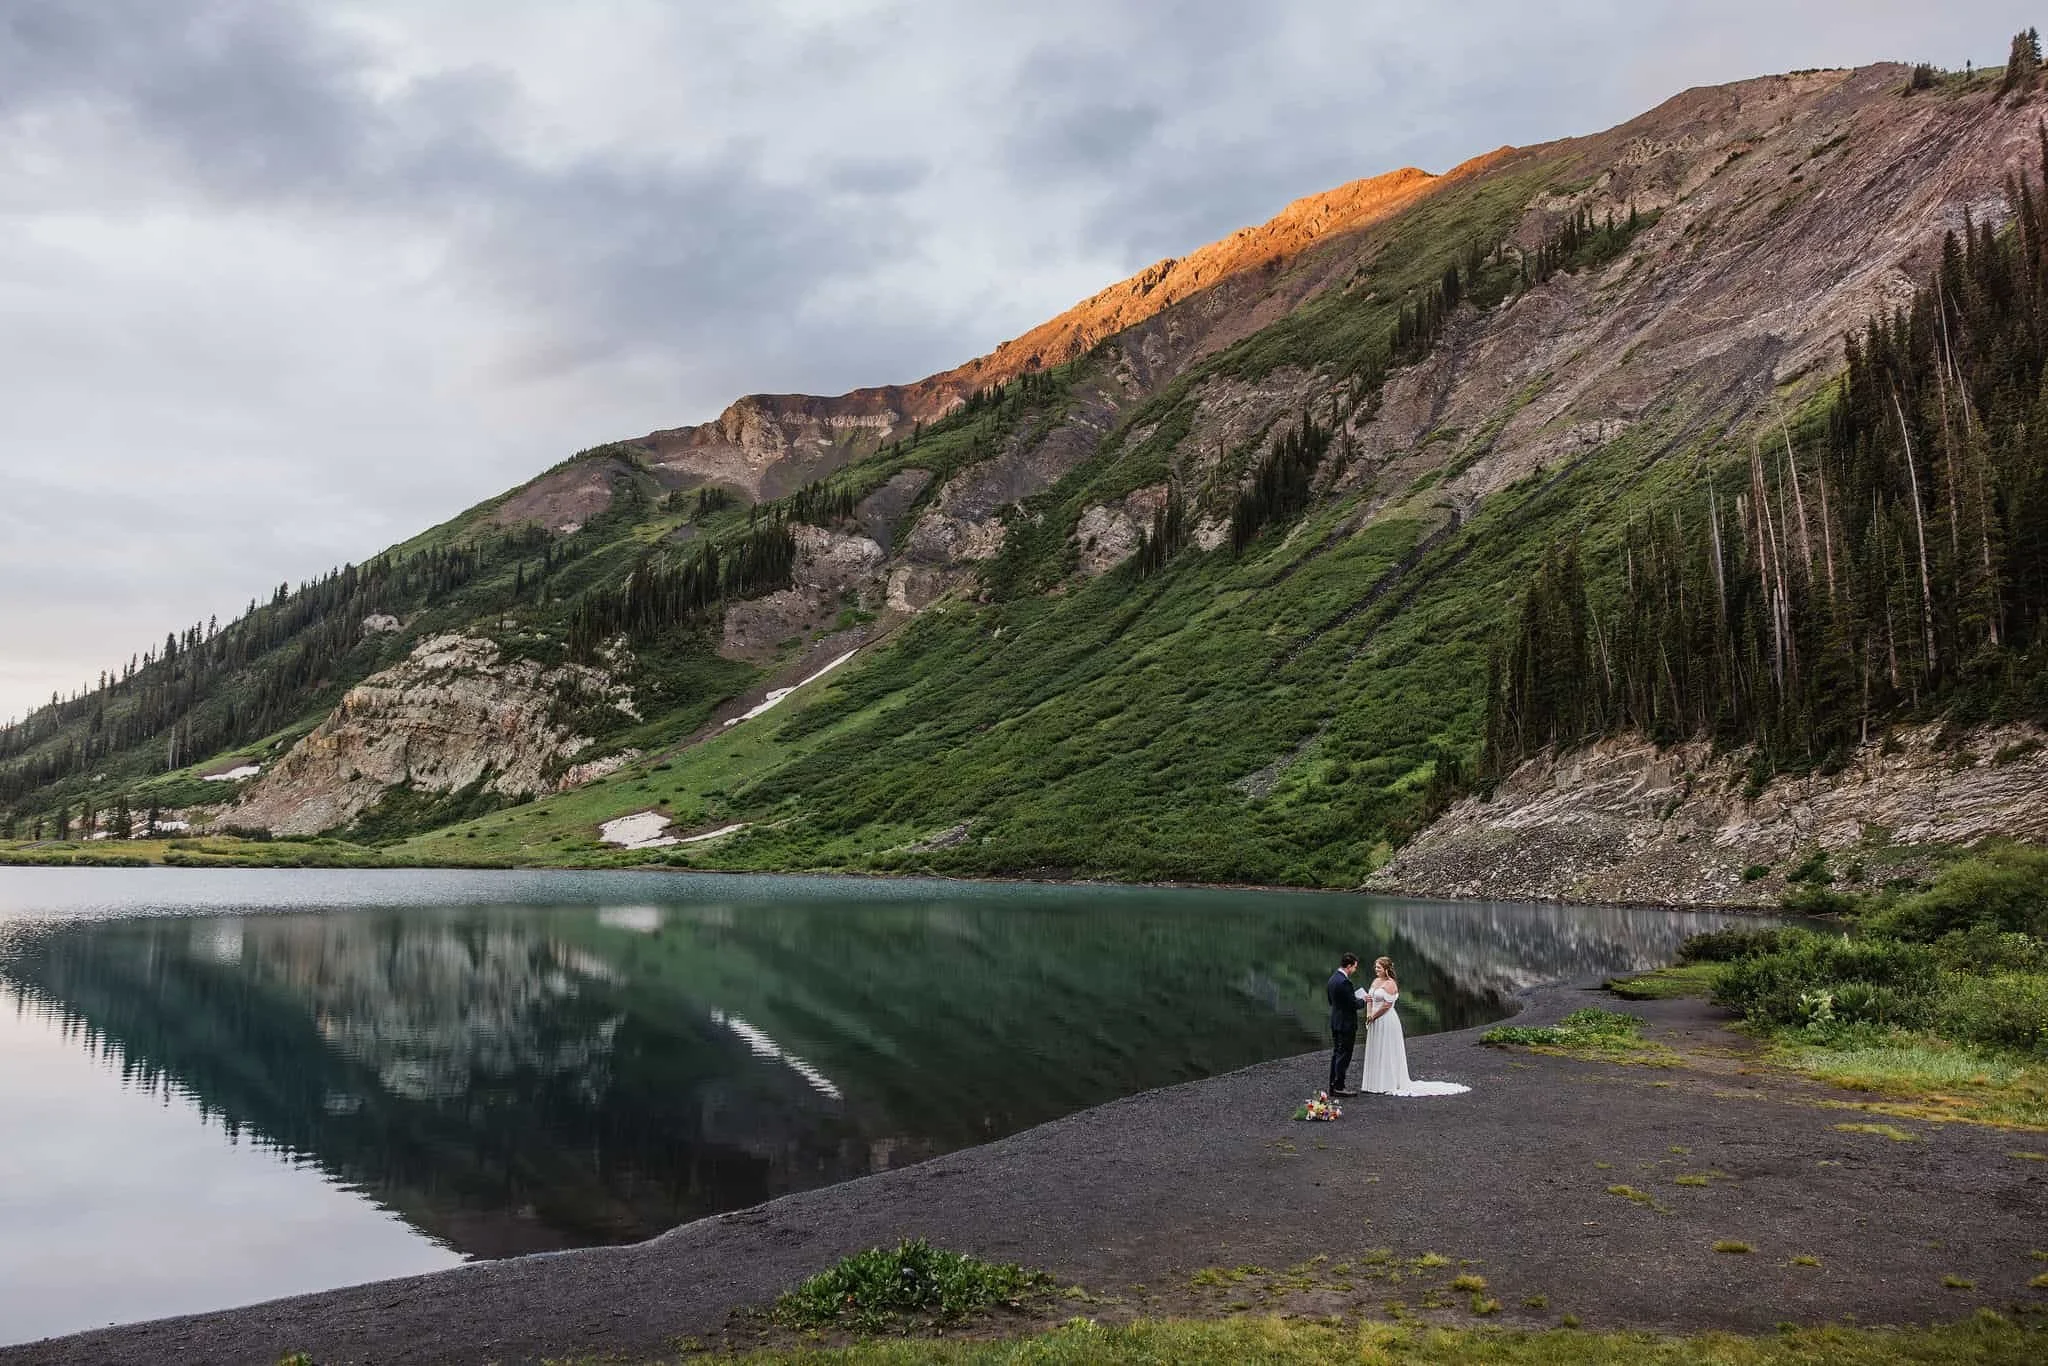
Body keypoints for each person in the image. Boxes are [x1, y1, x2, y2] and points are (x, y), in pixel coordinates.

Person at [1359, 955, 1469, 1097]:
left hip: (1385, 1019)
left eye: (1379, 967)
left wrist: (1374, 1016)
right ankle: (1373, 1083)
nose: (1376, 969)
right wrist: (1369, 1014)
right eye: (1376, 967)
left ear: (1386, 969)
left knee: (1386, 1049)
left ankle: (1387, 1083)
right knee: (1376, 1049)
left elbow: (1387, 1005)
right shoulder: (1375, 981)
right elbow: (1369, 998)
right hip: (1374, 1019)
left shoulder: (1391, 984)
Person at [1326, 952, 1367, 1095]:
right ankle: (1339, 1086)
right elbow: (1353, 1004)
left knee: (1337, 1053)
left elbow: (1332, 1001)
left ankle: (1333, 1084)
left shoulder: (1333, 979)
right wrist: (1364, 1000)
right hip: (1346, 1024)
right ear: (1349, 966)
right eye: (1354, 967)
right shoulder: (1345, 982)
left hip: (1336, 1021)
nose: (1355, 970)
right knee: (1344, 1055)